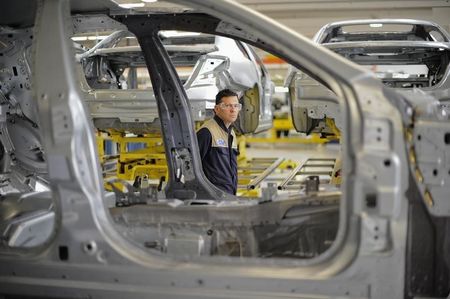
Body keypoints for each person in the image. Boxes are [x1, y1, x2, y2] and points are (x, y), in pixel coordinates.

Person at [197, 89, 241, 195]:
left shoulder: (231, 132)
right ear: (216, 109)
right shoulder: (207, 132)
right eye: (228, 106)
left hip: (228, 194)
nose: (233, 110)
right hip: (213, 197)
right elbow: (192, 166)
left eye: (236, 106)